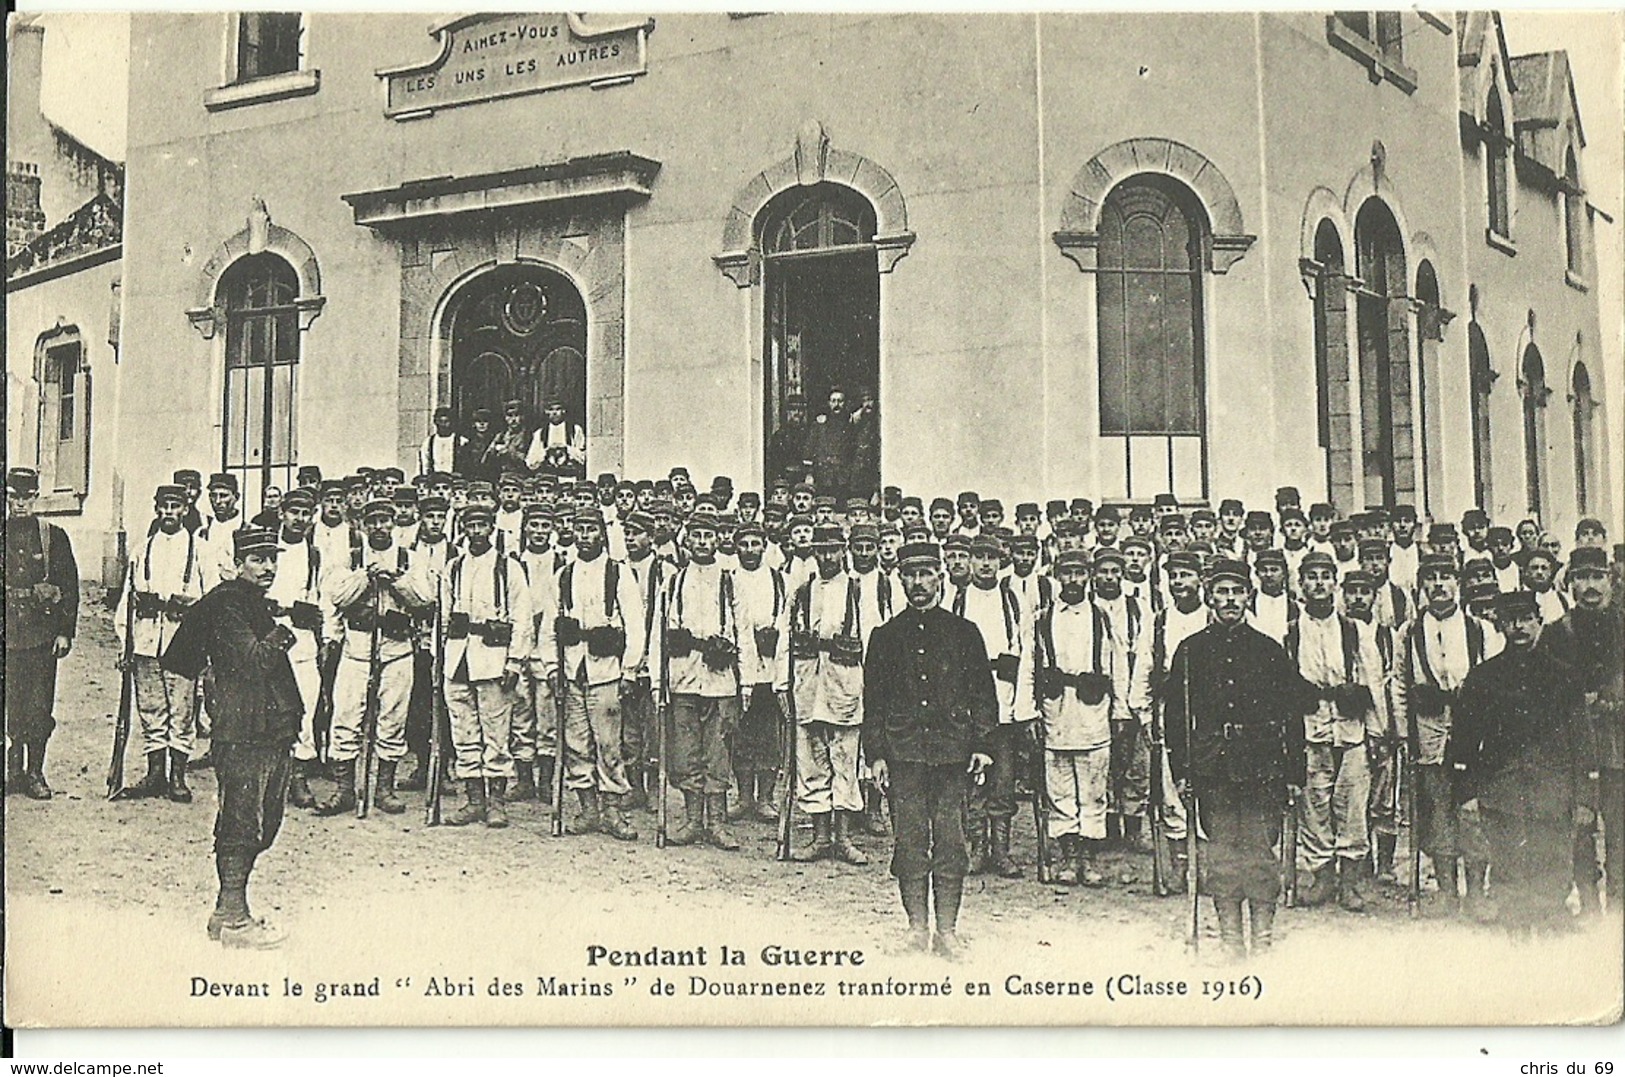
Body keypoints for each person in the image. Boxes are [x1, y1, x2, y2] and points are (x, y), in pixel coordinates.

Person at [160, 526, 301, 949]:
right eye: (258, 559)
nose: (268, 567)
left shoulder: (250, 603)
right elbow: (255, 661)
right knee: (242, 822)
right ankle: (234, 919)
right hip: (243, 731)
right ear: (237, 563)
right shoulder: (227, 607)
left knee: (265, 823)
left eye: (272, 558)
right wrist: (286, 630)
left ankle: (227, 912)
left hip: (269, 729)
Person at [1164, 557, 1306, 961]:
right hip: (1213, 769)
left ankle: (1261, 939)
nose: (1229, 600)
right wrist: (1182, 771)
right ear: (1209, 597)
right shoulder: (1191, 651)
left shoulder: (1268, 650)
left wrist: (1294, 770)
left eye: (1236, 592)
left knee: (1260, 853)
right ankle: (1230, 941)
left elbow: (1290, 712)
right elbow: (1175, 717)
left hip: (1263, 767)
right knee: (1223, 854)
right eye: (1221, 592)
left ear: (1248, 596)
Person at [862, 541, 997, 959]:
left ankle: (948, 931)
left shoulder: (963, 632)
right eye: (910, 575)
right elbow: (875, 702)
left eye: (926, 574)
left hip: (952, 755)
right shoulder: (886, 637)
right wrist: (877, 755)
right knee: (910, 842)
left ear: (941, 576)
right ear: (899, 579)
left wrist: (982, 745)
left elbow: (983, 694)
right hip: (904, 755)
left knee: (952, 842)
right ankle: (917, 928)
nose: (918, 583)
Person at [1449, 590, 1594, 937]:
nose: (1519, 626)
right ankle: (1514, 938)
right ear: (1500, 625)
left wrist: (1586, 796)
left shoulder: (1564, 676)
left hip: (1552, 790)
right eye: (1511, 620)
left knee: (1553, 865)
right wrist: (1467, 793)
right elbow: (1465, 740)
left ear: (1539, 622)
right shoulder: (1483, 677)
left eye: (1527, 618)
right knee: (1508, 866)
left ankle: (1549, 935)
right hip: (1503, 792)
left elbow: (1583, 740)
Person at [315, 497, 436, 816]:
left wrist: (396, 578)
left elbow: (425, 601)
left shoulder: (410, 558)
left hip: (396, 649)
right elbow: (337, 597)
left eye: (385, 520)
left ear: (394, 524)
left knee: (392, 720)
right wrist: (365, 577)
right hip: (358, 647)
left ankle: (384, 788)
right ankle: (344, 790)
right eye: (373, 521)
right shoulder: (350, 558)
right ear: (361, 525)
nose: (379, 527)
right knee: (346, 718)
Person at [538, 506, 646, 836]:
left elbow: (635, 625)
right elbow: (548, 628)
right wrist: (553, 667)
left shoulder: (618, 573)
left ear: (602, 532)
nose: (585, 536)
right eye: (579, 529)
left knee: (609, 744)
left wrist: (629, 669)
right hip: (573, 670)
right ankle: (587, 809)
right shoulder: (563, 575)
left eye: (591, 529)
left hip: (607, 670)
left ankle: (612, 810)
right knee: (576, 743)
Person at [1287, 553, 1384, 912]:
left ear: (1335, 584)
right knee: (1314, 805)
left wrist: (1377, 732)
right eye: (1311, 577)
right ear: (1301, 584)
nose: (1319, 584)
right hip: (1310, 726)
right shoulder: (1292, 629)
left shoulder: (1354, 629)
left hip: (1351, 727)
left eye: (1326, 576)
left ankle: (1350, 880)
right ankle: (1321, 875)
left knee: (1352, 805)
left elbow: (1372, 680)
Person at [1403, 552, 1498, 916]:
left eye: (1446, 576)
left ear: (1458, 583)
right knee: (1437, 810)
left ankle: (1475, 890)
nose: (1439, 584)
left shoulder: (1479, 630)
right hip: (1428, 732)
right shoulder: (1410, 631)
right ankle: (1447, 890)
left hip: (1472, 734)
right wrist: (1402, 730)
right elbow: (1400, 683)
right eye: (1432, 577)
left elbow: (1494, 682)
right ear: (1423, 585)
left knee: (1472, 812)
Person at [1537, 546, 1623, 914]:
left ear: (1610, 579)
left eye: (1597, 577)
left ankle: (1619, 906)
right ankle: (1589, 903)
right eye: (1581, 578)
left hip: (1620, 750)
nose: (1590, 586)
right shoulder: (1556, 635)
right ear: (1570, 584)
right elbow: (1544, 692)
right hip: (1575, 754)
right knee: (1579, 832)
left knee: (1620, 832)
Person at [1032, 550, 1126, 886]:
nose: (1073, 581)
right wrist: (1029, 711)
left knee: (1093, 787)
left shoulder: (1101, 616)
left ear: (1089, 577)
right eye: (1067, 573)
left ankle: (1089, 857)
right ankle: (1069, 857)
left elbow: (1116, 664)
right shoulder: (1042, 617)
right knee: (1059, 788)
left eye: (1079, 574)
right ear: (1057, 575)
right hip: (1056, 709)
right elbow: (1032, 666)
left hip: (1093, 710)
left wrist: (1119, 709)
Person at [438, 503, 533, 828]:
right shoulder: (453, 568)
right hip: (458, 658)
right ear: (463, 529)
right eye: (470, 526)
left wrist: (515, 661)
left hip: (494, 658)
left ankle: (496, 802)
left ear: (492, 529)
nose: (476, 532)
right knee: (464, 732)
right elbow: (444, 617)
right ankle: (473, 800)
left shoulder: (508, 568)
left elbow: (522, 618)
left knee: (496, 733)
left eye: (482, 525)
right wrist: (443, 660)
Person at [115, 484, 208, 802]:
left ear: (185, 510)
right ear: (156, 509)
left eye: (176, 506)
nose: (169, 512)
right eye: (164, 506)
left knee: (181, 709)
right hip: (146, 640)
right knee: (151, 706)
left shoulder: (199, 550)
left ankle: (178, 777)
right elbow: (127, 598)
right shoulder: (142, 549)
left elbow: (211, 603)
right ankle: (155, 774)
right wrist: (125, 642)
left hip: (183, 642)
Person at [662, 510, 744, 848]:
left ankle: (717, 823)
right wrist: (659, 680)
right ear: (687, 539)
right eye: (696, 536)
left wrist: (747, 682)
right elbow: (661, 633)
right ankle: (693, 819)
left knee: (717, 751)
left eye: (709, 536)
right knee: (686, 752)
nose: (702, 542)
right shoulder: (674, 580)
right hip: (683, 675)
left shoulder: (729, 579)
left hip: (720, 678)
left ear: (718, 540)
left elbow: (744, 634)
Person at [790, 525, 870, 863]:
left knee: (845, 760)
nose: (826, 556)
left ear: (843, 551)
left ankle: (844, 838)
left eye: (833, 549)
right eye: (821, 549)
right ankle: (820, 837)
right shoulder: (802, 590)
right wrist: (783, 685)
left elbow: (873, 643)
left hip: (846, 684)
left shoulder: (857, 590)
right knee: (811, 761)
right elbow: (786, 640)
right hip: (808, 683)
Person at [4, 467, 79, 799]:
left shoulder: (53, 537)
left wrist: (65, 632)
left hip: (40, 635)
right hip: (7, 634)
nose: (20, 504)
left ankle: (35, 772)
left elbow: (69, 586)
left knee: (38, 703)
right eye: (13, 497)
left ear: (36, 498)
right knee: (10, 703)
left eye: (26, 497)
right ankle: (13, 770)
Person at [263, 487, 326, 809]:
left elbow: (320, 598)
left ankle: (298, 776)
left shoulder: (314, 554)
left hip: (302, 642)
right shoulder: (266, 547)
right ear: (281, 514)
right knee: (265, 709)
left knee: (305, 706)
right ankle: (268, 778)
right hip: (266, 638)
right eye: (294, 512)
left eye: (306, 514)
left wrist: (313, 618)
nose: (299, 519)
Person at [727, 521, 791, 823]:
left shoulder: (780, 580)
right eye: (744, 543)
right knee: (740, 735)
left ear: (765, 545)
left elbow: (789, 622)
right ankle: (743, 797)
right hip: (738, 670)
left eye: (755, 543)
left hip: (769, 670)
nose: (750, 550)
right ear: (736, 546)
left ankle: (766, 798)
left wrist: (771, 635)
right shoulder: (729, 580)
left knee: (767, 736)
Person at [803, 388, 857, 505]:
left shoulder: (850, 425)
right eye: (833, 401)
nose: (836, 404)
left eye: (840, 401)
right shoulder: (819, 425)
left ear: (845, 403)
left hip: (843, 478)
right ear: (828, 403)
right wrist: (809, 474)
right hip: (823, 476)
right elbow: (809, 450)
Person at [526, 399, 586, 478]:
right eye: (551, 410)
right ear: (546, 412)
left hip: (569, 476)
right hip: (547, 476)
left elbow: (583, 458)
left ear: (563, 411)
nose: (554, 413)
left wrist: (566, 448)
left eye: (558, 409)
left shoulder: (574, 430)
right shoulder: (540, 433)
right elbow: (530, 462)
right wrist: (547, 451)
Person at [418, 407, 459, 477]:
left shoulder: (461, 441)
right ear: (435, 422)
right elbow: (425, 464)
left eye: (446, 422)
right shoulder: (428, 442)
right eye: (440, 422)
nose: (443, 425)